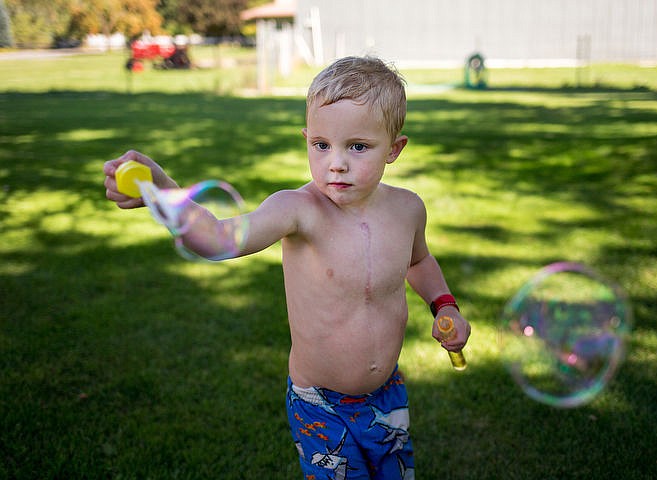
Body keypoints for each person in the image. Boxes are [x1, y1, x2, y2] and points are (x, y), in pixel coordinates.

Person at [103, 56, 471, 479]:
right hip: (320, 402)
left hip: (387, 393)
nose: (336, 162)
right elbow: (218, 239)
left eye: (357, 146)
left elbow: (420, 261)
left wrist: (444, 306)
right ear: (306, 139)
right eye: (321, 145)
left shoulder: (407, 209)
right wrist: (161, 190)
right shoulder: (297, 210)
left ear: (394, 148)